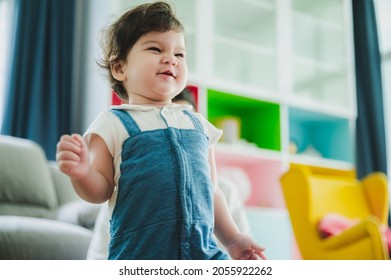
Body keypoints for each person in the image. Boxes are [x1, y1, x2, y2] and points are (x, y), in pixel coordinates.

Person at [56, 1, 266, 260]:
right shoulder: (112, 123)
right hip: (140, 256)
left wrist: (233, 239)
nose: (170, 59)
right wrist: (83, 173)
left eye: (180, 54)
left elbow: (211, 190)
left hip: (203, 253)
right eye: (155, 49)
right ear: (119, 68)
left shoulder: (198, 124)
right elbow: (100, 190)